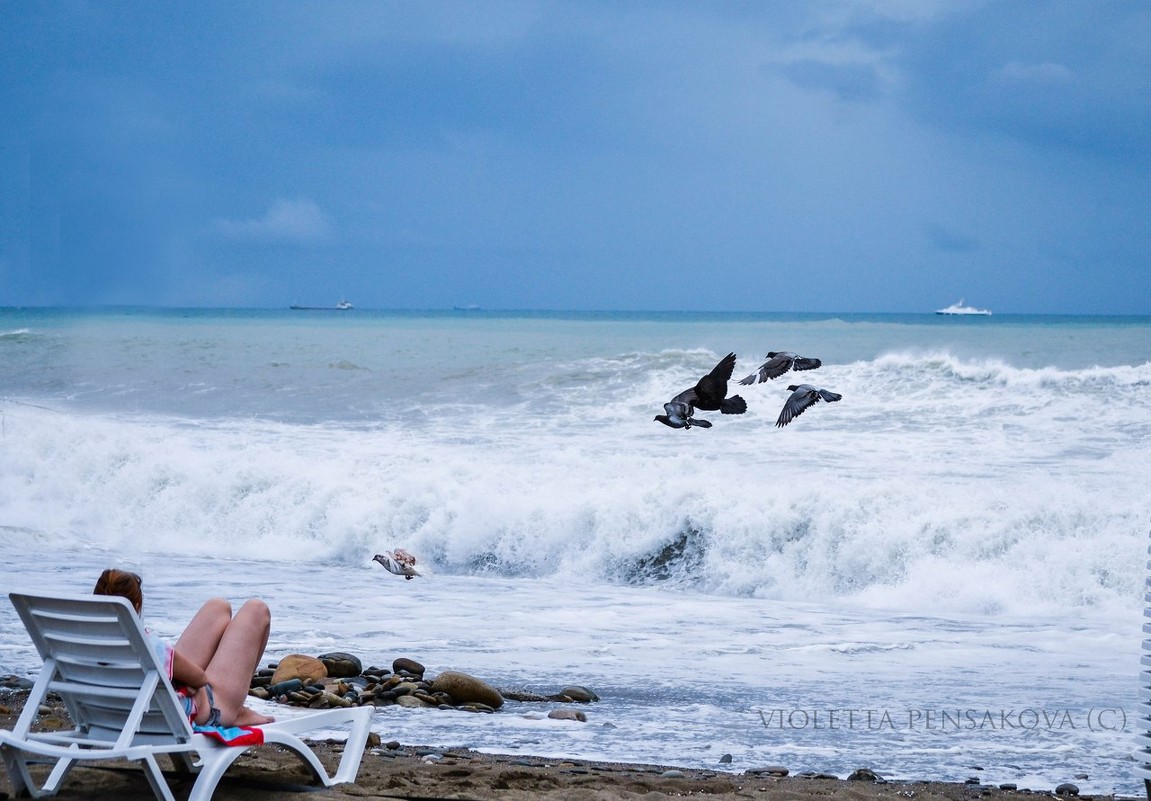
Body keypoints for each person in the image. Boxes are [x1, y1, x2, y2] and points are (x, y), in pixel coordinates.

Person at [93, 568, 275, 727]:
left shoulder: (80, 645)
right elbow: (200, 679)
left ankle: (236, 706)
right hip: (203, 711)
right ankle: (236, 711)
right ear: (137, 606)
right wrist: (189, 682)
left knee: (218, 607)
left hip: (118, 716)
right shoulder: (150, 647)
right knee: (257, 610)